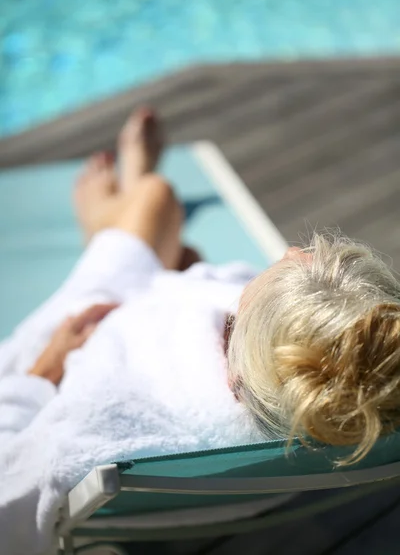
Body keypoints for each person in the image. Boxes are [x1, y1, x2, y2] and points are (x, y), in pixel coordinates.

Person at [1, 107, 400, 553]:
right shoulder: (343, 402)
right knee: (173, 232)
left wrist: (40, 372)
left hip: (95, 320)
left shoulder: (101, 424)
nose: (288, 248)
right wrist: (193, 275)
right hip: (226, 500)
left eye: (278, 269)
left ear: (238, 356)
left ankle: (112, 211)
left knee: (155, 197)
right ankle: (125, 206)